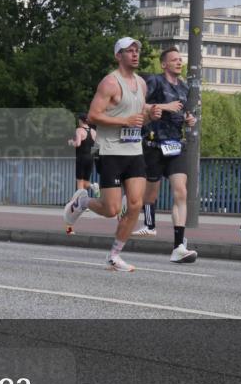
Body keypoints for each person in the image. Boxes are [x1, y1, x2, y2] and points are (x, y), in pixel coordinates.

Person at [63, 37, 158, 272]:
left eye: (137, 51)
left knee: (135, 204)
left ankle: (114, 255)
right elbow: (93, 115)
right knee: (112, 209)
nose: (135, 54)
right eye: (129, 51)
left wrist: (150, 115)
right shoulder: (110, 83)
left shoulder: (142, 84)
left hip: (134, 150)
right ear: (118, 56)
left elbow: (138, 116)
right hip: (111, 151)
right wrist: (123, 120)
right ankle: (83, 201)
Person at [141, 47, 199, 262]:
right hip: (154, 144)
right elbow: (138, 104)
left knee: (180, 191)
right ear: (164, 64)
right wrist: (164, 106)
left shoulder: (184, 87)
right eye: (174, 60)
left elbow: (184, 112)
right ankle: (149, 224)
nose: (179, 62)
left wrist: (189, 119)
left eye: (180, 59)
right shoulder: (155, 82)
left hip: (175, 145)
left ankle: (178, 246)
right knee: (150, 194)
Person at [68, 113, 97, 192]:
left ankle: (79, 201)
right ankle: (92, 186)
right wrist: (91, 154)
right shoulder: (94, 131)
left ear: (80, 120)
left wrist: (71, 142)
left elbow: (78, 144)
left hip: (81, 158)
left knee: (79, 181)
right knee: (85, 182)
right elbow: (97, 146)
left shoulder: (79, 130)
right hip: (91, 158)